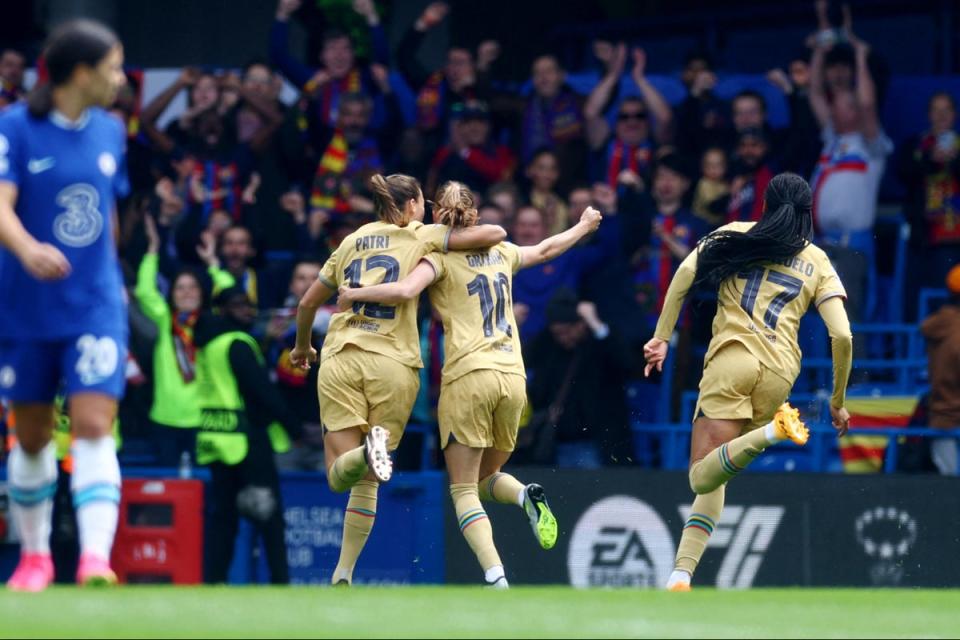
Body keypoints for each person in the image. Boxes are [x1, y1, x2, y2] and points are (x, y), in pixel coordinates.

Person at [337, 181, 603, 587]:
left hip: (467, 376)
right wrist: (583, 225)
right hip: (513, 378)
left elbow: (405, 289)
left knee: (463, 490)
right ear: (473, 213)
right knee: (486, 478)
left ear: (438, 214)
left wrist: (356, 292)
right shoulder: (501, 252)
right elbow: (547, 249)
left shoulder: (437, 259)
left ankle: (496, 576)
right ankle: (523, 495)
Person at [289, 173, 506, 585]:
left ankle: (344, 571)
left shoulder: (350, 241)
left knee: (340, 474)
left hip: (342, 357)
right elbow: (492, 234)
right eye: (422, 203)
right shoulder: (422, 236)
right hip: (395, 364)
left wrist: (302, 347)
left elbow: (306, 303)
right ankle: (344, 571)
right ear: (409, 207)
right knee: (368, 480)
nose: (424, 210)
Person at [642, 173, 853, 591]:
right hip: (779, 375)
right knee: (722, 471)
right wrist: (837, 399)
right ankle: (682, 574)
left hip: (732, 361)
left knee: (701, 476)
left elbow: (684, 275)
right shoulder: (819, 261)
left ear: (764, 204)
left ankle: (775, 432)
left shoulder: (734, 235)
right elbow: (843, 335)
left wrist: (661, 337)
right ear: (808, 213)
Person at [0, 20, 129, 591]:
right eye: (114, 68)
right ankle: (35, 558)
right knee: (29, 434)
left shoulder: (111, 132)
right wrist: (27, 250)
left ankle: (95, 560)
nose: (120, 80)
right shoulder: (14, 128)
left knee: (94, 424)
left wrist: (113, 282)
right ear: (81, 72)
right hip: (25, 304)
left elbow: (111, 214)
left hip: (94, 303)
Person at [193, 286, 301, 584]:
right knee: (268, 517)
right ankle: (280, 581)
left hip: (217, 439)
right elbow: (261, 392)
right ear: (222, 309)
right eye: (238, 305)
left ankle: (213, 581)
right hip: (248, 440)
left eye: (250, 304)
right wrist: (293, 426)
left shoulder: (207, 344)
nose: (248, 310)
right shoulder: (238, 343)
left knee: (222, 520)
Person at [136, 215, 234, 466]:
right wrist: (152, 250)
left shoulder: (210, 323)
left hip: (203, 418)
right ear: (172, 294)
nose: (187, 292)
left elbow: (232, 295)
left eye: (192, 287)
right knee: (172, 490)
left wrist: (212, 262)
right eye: (180, 287)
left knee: (203, 490)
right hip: (165, 417)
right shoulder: (164, 318)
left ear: (202, 293)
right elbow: (145, 292)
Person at [808, 30, 892, 324]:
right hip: (820, 246)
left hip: (850, 246)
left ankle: (852, 374)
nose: (836, 106)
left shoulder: (871, 145)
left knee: (848, 322)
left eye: (847, 102)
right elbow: (815, 94)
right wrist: (820, 50)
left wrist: (859, 55)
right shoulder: (831, 141)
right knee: (816, 326)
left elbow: (869, 104)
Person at [897, 92, 960, 294]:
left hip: (954, 237)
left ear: (955, 114)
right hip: (922, 236)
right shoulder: (915, 145)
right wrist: (930, 160)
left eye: (946, 110)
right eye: (936, 110)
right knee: (916, 300)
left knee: (948, 299)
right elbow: (902, 173)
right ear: (928, 115)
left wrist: (954, 162)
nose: (941, 115)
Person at [919, 265, 960, 476]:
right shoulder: (956, 329)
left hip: (940, 417)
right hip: (951, 418)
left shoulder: (939, 324)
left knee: (949, 481)